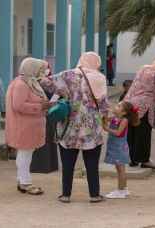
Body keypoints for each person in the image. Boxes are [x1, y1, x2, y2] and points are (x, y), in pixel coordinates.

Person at [41, 52, 109, 203]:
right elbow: (104, 104)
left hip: (69, 126)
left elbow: (46, 83)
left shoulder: (67, 75)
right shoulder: (100, 78)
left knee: (67, 163)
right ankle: (94, 195)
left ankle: (66, 195)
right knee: (92, 163)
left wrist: (45, 71)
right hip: (92, 127)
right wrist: (104, 118)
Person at [5, 57, 49, 195]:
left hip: (29, 126)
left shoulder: (28, 82)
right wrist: (40, 106)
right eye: (39, 69)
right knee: (25, 155)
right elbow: (18, 106)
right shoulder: (21, 84)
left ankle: (22, 180)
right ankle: (25, 183)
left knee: (25, 155)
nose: (41, 72)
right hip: (24, 126)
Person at [124, 56, 155, 169]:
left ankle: (133, 159)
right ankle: (144, 160)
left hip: (131, 103)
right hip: (145, 106)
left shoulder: (143, 68)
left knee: (132, 132)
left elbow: (134, 85)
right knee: (143, 133)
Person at [103, 101, 139, 199]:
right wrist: (105, 113)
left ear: (123, 112)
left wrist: (107, 129)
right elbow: (105, 119)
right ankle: (124, 189)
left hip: (119, 147)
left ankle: (121, 190)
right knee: (119, 168)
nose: (116, 106)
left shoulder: (124, 120)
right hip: (115, 146)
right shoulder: (115, 118)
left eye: (119, 106)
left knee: (121, 169)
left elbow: (119, 133)